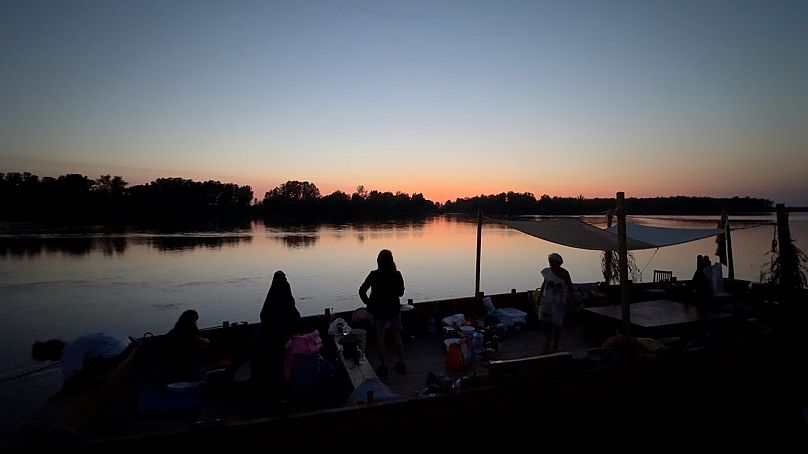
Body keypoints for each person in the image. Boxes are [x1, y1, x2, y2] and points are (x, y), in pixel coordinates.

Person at [359, 249, 405, 378]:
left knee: (380, 338)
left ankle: (383, 366)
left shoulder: (374, 275)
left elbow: (362, 290)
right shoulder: (397, 275)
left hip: (378, 311)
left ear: (378, 261)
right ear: (391, 261)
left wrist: (368, 304)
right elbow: (401, 293)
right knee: (396, 336)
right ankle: (402, 363)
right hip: (393, 310)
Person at [32, 333, 133, 390]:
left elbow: (70, 379)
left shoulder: (70, 353)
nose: (50, 360)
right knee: (87, 366)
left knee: (80, 378)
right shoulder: (75, 343)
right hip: (126, 343)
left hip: (120, 352)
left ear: (52, 352)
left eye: (49, 358)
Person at [254, 270, 301, 393]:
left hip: (277, 339)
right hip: (277, 341)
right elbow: (295, 318)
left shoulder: (272, 299)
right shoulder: (284, 298)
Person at [538, 252, 573, 354]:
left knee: (557, 323)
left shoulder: (564, 273)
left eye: (552, 261)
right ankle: (548, 340)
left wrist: (570, 300)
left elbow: (570, 287)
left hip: (559, 302)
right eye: (550, 261)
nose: (550, 263)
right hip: (546, 300)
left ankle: (555, 345)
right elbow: (544, 284)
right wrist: (540, 296)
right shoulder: (547, 272)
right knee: (544, 321)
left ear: (558, 262)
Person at [160, 309, 209, 381]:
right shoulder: (180, 331)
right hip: (177, 357)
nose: (195, 323)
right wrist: (203, 342)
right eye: (195, 320)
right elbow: (189, 343)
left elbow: (195, 338)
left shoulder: (184, 328)